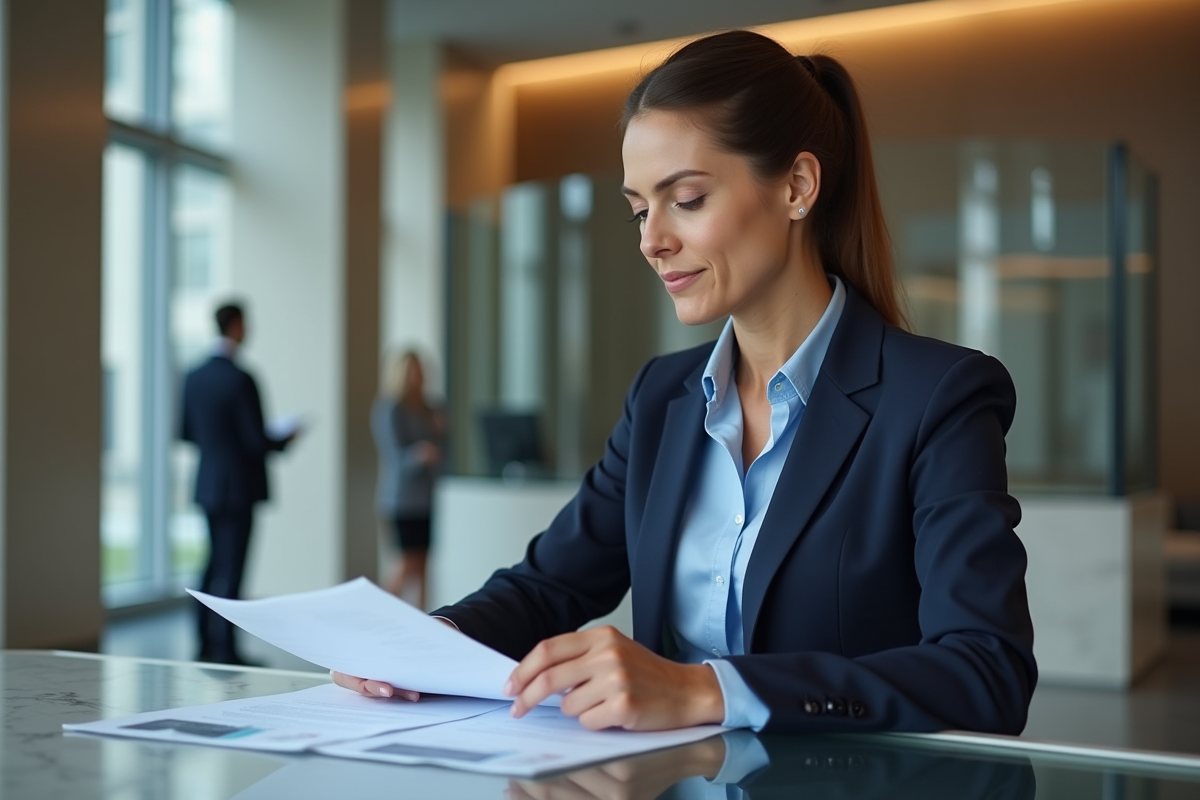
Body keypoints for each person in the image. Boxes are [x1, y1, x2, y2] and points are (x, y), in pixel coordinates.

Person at [335, 30, 1037, 734]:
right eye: (641, 208)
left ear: (797, 187)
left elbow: (986, 670)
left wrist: (709, 691)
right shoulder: (662, 398)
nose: (651, 240)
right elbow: (550, 585)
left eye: (688, 199)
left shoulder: (937, 396)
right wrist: (430, 643)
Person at [182, 302, 296, 665]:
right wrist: (284, 439)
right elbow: (256, 442)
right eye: (247, 323)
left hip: (208, 482)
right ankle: (226, 648)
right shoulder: (242, 378)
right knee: (233, 569)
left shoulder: (193, 376)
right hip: (240, 486)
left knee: (213, 561)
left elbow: (184, 431)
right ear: (235, 326)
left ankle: (203, 639)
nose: (250, 329)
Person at [371, 350, 446, 608]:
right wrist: (419, 455)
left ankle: (423, 621)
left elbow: (443, 451)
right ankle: (380, 615)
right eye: (413, 370)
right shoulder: (390, 408)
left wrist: (441, 433)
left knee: (424, 564)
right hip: (401, 498)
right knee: (406, 562)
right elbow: (393, 457)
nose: (419, 376)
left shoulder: (431, 408)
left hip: (427, 497)